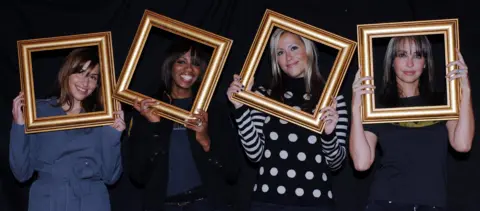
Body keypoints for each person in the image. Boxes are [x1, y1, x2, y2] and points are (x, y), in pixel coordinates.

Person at [226, 28, 348, 211]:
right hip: (268, 202)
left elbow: (336, 163)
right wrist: (240, 107)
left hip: (316, 203)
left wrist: (329, 134)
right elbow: (254, 155)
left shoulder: (332, 99)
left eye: (293, 48)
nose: (288, 58)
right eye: (280, 52)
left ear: (308, 49)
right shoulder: (262, 96)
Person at [350, 35, 474, 211]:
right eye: (402, 55)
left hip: (433, 205)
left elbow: (463, 144)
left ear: (425, 62)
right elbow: (361, 163)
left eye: (417, 55)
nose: (410, 63)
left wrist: (466, 90)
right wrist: (356, 107)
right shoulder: (377, 108)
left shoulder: (443, 103)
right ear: (392, 62)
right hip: (386, 203)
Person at [126, 40, 241, 211]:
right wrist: (154, 127)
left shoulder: (214, 110)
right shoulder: (148, 109)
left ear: (201, 70)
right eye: (181, 61)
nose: (188, 69)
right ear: (170, 65)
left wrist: (206, 142)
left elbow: (232, 171)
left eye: (195, 63)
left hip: (205, 204)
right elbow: (138, 175)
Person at [10, 47, 125, 211]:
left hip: (91, 202)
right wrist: (19, 126)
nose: (85, 83)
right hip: (47, 201)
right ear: (66, 73)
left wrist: (113, 135)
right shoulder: (39, 112)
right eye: (80, 72)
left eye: (92, 77)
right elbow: (21, 174)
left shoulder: (102, 118)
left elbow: (111, 177)